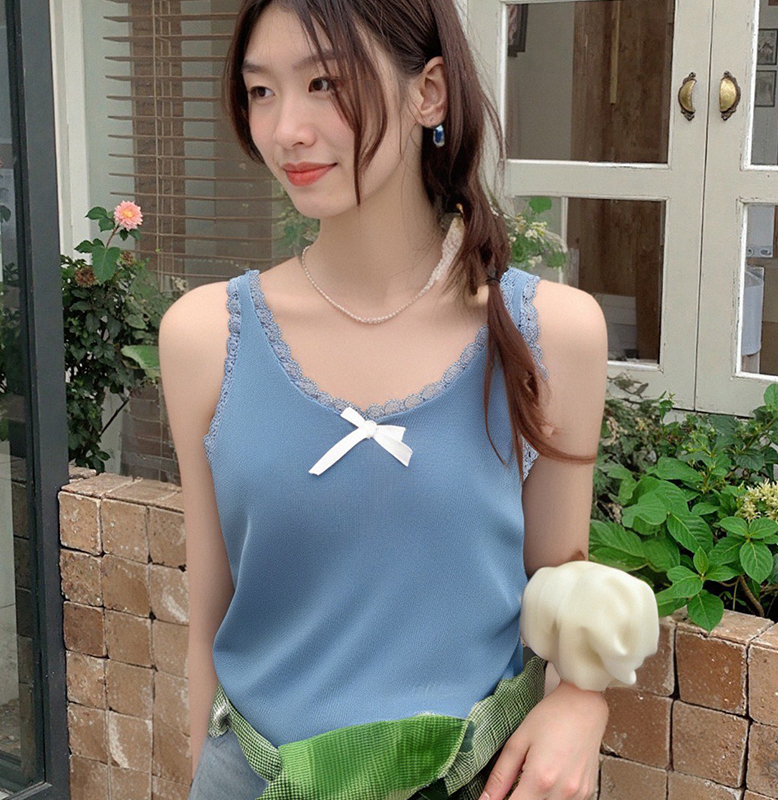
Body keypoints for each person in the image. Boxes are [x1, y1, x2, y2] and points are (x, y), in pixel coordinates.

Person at [158, 1, 626, 799]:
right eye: (261, 91)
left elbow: (562, 583)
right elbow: (211, 618)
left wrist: (584, 700)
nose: (286, 130)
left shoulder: (551, 333)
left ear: (429, 93)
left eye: (324, 84)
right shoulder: (206, 337)